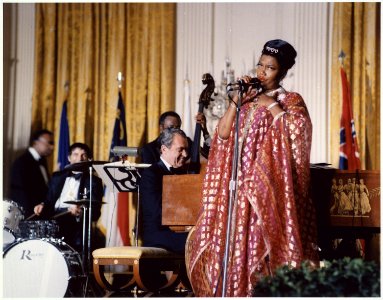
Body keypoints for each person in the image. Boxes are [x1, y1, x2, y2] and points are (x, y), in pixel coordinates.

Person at [185, 39, 319, 297]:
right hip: (236, 195)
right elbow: (222, 135)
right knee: (234, 251)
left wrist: (270, 105)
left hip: (265, 194)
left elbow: (297, 132)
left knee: (259, 249)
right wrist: (236, 101)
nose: (261, 72)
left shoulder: (289, 100)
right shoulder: (244, 99)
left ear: (283, 72)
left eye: (269, 68)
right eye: (260, 65)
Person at [34, 142, 103, 253]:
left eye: (83, 155)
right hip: (53, 220)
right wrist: (42, 205)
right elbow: (49, 201)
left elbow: (95, 213)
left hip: (75, 225)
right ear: (69, 158)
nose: (79, 158)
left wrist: (80, 212)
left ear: (89, 159)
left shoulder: (94, 182)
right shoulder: (57, 177)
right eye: (75, 154)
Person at [139, 128, 189, 254]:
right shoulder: (151, 174)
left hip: (178, 231)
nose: (185, 155)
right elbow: (155, 212)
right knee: (196, 241)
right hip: (159, 234)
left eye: (186, 149)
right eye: (180, 150)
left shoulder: (184, 173)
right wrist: (184, 224)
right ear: (164, 149)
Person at [9, 129, 54, 218]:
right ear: (36, 142)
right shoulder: (22, 162)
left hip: (41, 215)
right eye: (50, 142)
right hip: (29, 217)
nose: (52, 147)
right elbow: (20, 194)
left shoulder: (43, 161)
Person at [140, 111, 211, 165]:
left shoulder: (187, 142)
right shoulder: (148, 149)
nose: (174, 131)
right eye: (171, 127)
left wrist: (205, 131)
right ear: (161, 128)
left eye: (177, 128)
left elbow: (209, 155)